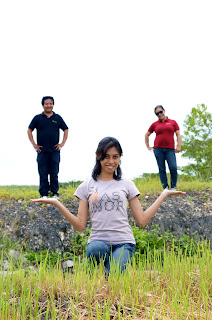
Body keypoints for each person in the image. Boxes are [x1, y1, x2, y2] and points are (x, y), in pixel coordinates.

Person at [31, 137, 185, 274]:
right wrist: (58, 203)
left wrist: (163, 195)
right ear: (99, 157)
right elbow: (80, 226)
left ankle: (113, 269)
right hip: (98, 242)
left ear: (119, 158)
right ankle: (105, 267)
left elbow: (142, 220)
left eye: (115, 157)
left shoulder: (127, 184)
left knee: (114, 276)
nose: (111, 161)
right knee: (95, 249)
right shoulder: (87, 186)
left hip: (124, 242)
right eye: (106, 157)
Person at [27, 96, 69, 198]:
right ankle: (44, 194)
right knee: (43, 173)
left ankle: (54, 193)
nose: (49, 105)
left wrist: (62, 143)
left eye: (50, 103)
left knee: (54, 173)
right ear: (43, 105)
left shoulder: (57, 118)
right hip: (42, 150)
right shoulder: (37, 118)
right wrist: (34, 145)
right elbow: (29, 130)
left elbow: (66, 129)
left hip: (54, 150)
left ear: (53, 105)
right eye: (46, 104)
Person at [145, 105, 181, 190]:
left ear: (164, 111)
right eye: (157, 113)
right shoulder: (154, 124)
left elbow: (178, 134)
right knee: (162, 169)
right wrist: (148, 146)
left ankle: (173, 187)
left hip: (170, 150)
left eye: (160, 112)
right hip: (158, 149)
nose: (159, 114)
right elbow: (146, 135)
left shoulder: (173, 122)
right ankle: (165, 187)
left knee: (173, 168)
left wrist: (178, 146)